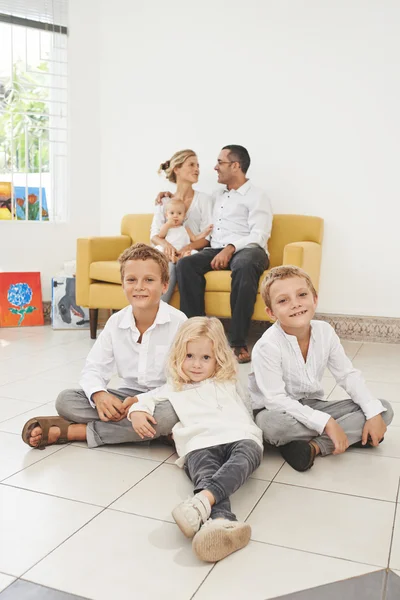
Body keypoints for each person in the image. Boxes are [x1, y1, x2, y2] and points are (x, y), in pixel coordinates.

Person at [21, 244, 187, 450]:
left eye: (149, 280)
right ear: (123, 284)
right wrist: (100, 395)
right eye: (132, 280)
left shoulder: (180, 323)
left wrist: (141, 402)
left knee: (168, 415)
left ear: (164, 285)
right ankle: (151, 433)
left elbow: (181, 383)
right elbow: (94, 368)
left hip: (162, 398)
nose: (139, 286)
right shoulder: (116, 322)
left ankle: (75, 431)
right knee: (65, 400)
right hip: (125, 398)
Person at [128, 316, 263, 562]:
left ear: (218, 358)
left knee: (247, 456)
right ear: (179, 355)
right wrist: (136, 412)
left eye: (205, 358)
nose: (196, 365)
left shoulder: (227, 380)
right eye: (189, 356)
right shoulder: (174, 387)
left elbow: (248, 404)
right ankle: (221, 523)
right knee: (207, 474)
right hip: (199, 444)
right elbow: (144, 400)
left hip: (240, 436)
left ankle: (201, 502)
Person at [249, 265, 394, 472]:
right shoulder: (267, 346)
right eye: (283, 300)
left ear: (314, 299)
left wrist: (372, 414)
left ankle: (313, 447)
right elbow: (275, 400)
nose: (295, 304)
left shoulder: (325, 332)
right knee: (272, 426)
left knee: (383, 409)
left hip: (312, 405)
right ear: (271, 312)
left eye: (302, 295)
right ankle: (341, 432)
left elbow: (347, 375)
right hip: (276, 411)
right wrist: (327, 423)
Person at [176, 145, 273, 364]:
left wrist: (230, 248)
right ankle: (196, 333)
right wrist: (168, 197)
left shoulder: (257, 196)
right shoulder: (217, 196)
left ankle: (238, 341)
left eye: (220, 162)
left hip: (249, 250)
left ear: (236, 166)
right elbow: (191, 214)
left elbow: (259, 235)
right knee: (186, 265)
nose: (215, 167)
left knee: (245, 264)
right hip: (216, 248)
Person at [151, 149, 214, 303]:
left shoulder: (204, 200)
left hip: (189, 254)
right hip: (167, 253)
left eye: (198, 165)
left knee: (177, 265)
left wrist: (186, 249)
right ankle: (154, 313)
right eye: (191, 165)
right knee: (168, 266)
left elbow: (207, 237)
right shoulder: (164, 201)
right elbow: (154, 235)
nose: (197, 169)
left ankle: (156, 315)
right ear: (177, 169)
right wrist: (167, 247)